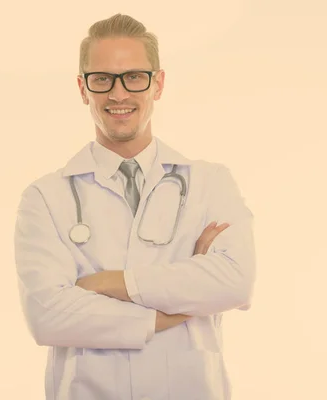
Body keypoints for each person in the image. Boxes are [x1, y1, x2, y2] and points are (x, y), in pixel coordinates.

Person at [13, 13, 256, 400]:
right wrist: (175, 308)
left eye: (134, 77)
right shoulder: (44, 198)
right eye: (102, 79)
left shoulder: (211, 183)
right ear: (82, 88)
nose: (118, 94)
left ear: (157, 83)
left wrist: (111, 282)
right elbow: (47, 316)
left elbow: (235, 282)